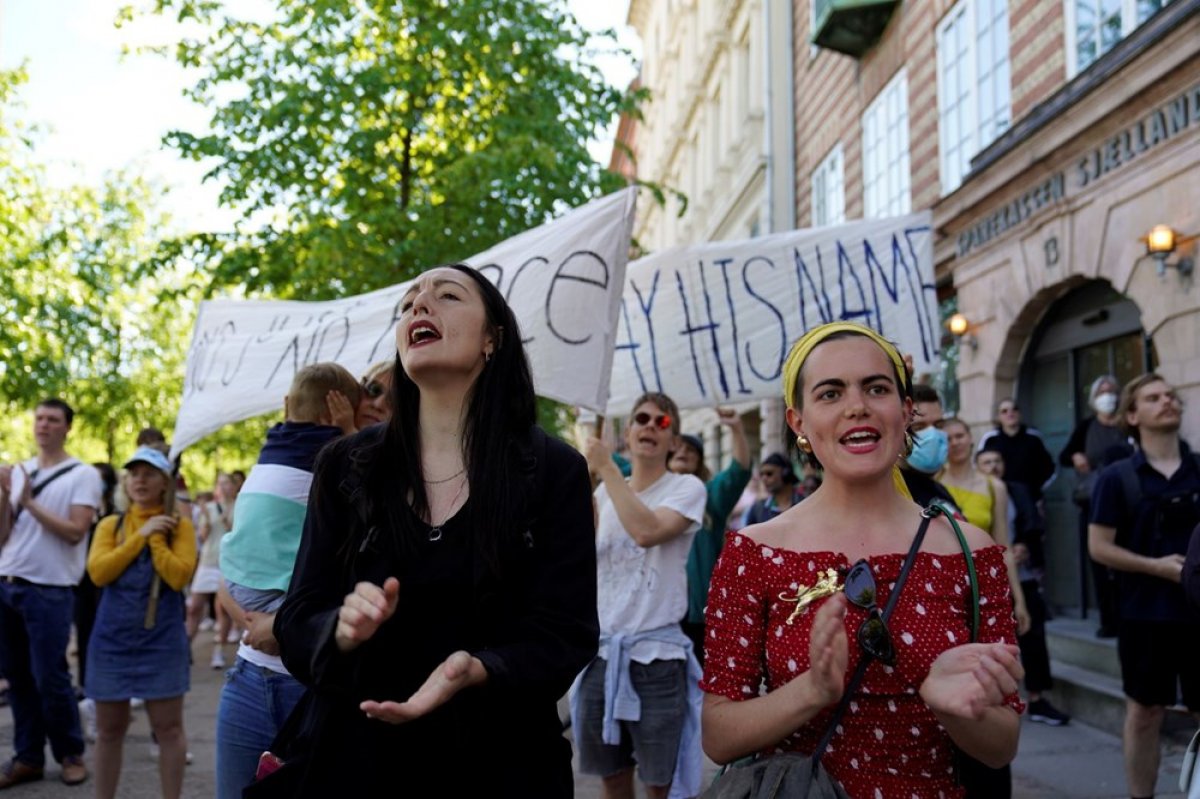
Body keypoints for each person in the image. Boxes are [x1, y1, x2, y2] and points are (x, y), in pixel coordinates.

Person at [261, 264, 598, 796]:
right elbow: (297, 619)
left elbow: (567, 634)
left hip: (501, 766)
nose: (420, 306)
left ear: (493, 339)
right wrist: (339, 630)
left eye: (447, 295)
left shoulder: (554, 470)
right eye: (410, 302)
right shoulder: (344, 467)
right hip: (357, 762)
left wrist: (481, 668)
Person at [701, 322, 1024, 798]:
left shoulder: (971, 553)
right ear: (799, 423)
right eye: (830, 393)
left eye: (876, 388)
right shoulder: (754, 552)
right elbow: (718, 735)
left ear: (906, 410)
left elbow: (1001, 748)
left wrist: (954, 707)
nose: (857, 406)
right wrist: (811, 691)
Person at [214, 362, 360, 799]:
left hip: (309, 677)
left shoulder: (272, 447)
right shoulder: (331, 454)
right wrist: (347, 431)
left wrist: (275, 626)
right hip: (252, 669)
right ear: (335, 414)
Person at [575, 391, 706, 799]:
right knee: (612, 778)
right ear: (627, 432)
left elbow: (647, 531)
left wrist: (608, 469)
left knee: (658, 784)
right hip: (601, 655)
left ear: (673, 440)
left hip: (656, 661)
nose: (651, 426)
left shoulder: (686, 487)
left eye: (662, 423)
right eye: (642, 419)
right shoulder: (601, 495)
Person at [1089, 373, 1200, 799]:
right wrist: (1156, 567)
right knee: (1144, 711)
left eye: (1171, 395)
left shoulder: (1198, 468)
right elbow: (1099, 547)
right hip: (1143, 613)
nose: (1167, 401)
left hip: (1199, 614)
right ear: (1132, 415)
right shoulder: (1117, 477)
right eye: (1154, 398)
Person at [0, 398, 102, 788]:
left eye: (52, 419)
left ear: (67, 427)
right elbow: (4, 535)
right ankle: (28, 757)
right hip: (7, 582)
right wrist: (4, 496)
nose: (43, 425)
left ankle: (70, 753)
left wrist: (27, 501)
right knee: (16, 677)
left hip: (51, 589)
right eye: (39, 418)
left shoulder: (83, 474)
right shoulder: (19, 470)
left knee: (50, 676)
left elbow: (76, 530)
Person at [85, 446, 196, 799]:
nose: (140, 480)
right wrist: (142, 535)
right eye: (134, 473)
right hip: (111, 641)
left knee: (168, 729)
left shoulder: (181, 528)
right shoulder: (109, 524)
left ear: (165, 483)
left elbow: (179, 577)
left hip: (162, 640)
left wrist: (159, 541)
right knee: (108, 731)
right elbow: (99, 573)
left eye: (149, 473)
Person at [976, 448, 1070, 726]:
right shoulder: (975, 492)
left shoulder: (1017, 490)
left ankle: (1038, 699)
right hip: (987, 579)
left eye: (997, 461)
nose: (993, 466)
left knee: (1033, 636)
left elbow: (1033, 526)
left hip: (1022, 574)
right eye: (986, 462)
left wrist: (1024, 548)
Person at [668, 408, 751, 662]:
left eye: (691, 450)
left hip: (697, 614)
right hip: (659, 613)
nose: (683, 453)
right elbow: (610, 462)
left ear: (700, 462)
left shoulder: (709, 496)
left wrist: (736, 428)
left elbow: (738, 471)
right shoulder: (650, 495)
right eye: (678, 448)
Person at [1060, 375, 1133, 638]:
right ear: (1094, 399)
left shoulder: (1128, 425)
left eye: (1112, 390)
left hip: (1129, 504)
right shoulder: (1086, 427)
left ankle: (1129, 616)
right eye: (1102, 391)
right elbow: (1064, 455)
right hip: (1094, 503)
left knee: (1127, 560)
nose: (1108, 395)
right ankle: (1108, 620)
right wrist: (1075, 455)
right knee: (1099, 564)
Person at [187, 472, 239, 669]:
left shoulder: (241, 506)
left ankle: (219, 651)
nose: (224, 487)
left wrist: (226, 520)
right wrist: (206, 520)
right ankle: (185, 649)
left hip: (228, 563)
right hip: (208, 561)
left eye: (227, 483)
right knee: (194, 608)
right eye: (220, 483)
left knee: (223, 609)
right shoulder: (208, 508)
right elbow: (203, 536)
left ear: (234, 486)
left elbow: (239, 535)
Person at [977, 398, 1056, 504]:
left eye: (1014, 409)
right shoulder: (990, 439)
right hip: (999, 498)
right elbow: (979, 466)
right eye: (1004, 411)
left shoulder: (1034, 438)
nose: (1010, 413)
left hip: (1030, 499)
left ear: (1019, 413)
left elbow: (1049, 468)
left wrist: (1037, 491)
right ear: (998, 417)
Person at [899, 384, 962, 513]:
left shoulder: (940, 490)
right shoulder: (893, 494)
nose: (932, 434)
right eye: (919, 427)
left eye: (939, 425)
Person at [743, 452, 805, 526]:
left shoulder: (805, 503)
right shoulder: (758, 509)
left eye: (769, 473)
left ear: (786, 474)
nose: (764, 478)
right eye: (761, 474)